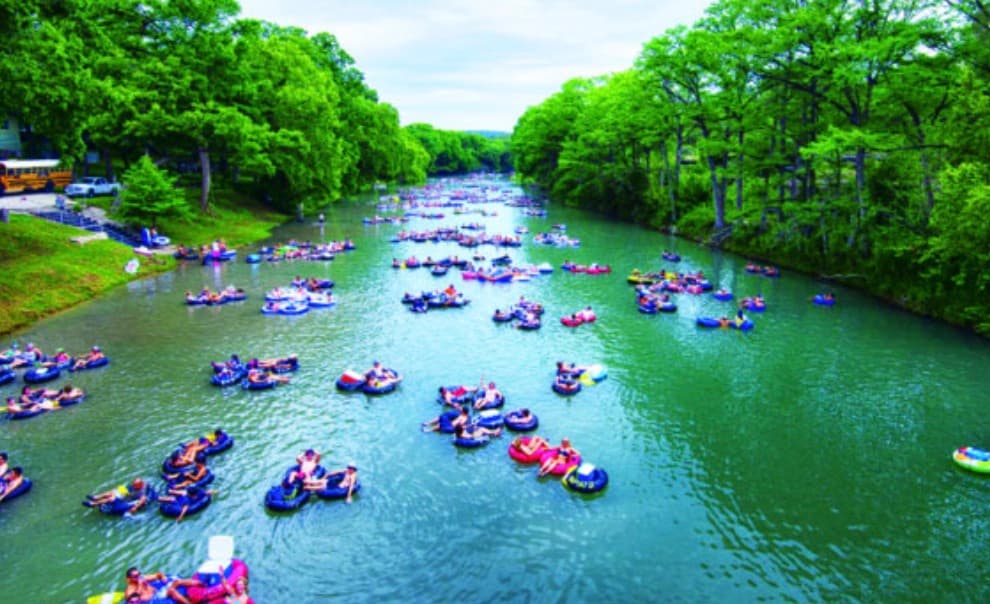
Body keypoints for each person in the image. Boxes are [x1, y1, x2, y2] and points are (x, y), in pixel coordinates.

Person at [123, 567, 203, 604]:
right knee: (172, 591)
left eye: (139, 574)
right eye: (136, 576)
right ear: (129, 579)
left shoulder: (143, 578)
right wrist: (140, 585)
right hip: (155, 599)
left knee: (177, 582)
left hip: (158, 592)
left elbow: (157, 575)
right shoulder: (130, 590)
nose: (139, 577)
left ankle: (202, 583)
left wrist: (163, 577)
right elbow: (135, 600)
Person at [86, 478, 151, 514]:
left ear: (139, 485)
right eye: (133, 484)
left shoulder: (142, 494)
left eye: (135, 485)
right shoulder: (139, 486)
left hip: (128, 500)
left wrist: (134, 509)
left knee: (111, 498)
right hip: (128, 495)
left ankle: (93, 504)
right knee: (114, 490)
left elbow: (141, 501)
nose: (133, 485)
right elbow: (129, 489)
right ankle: (96, 497)